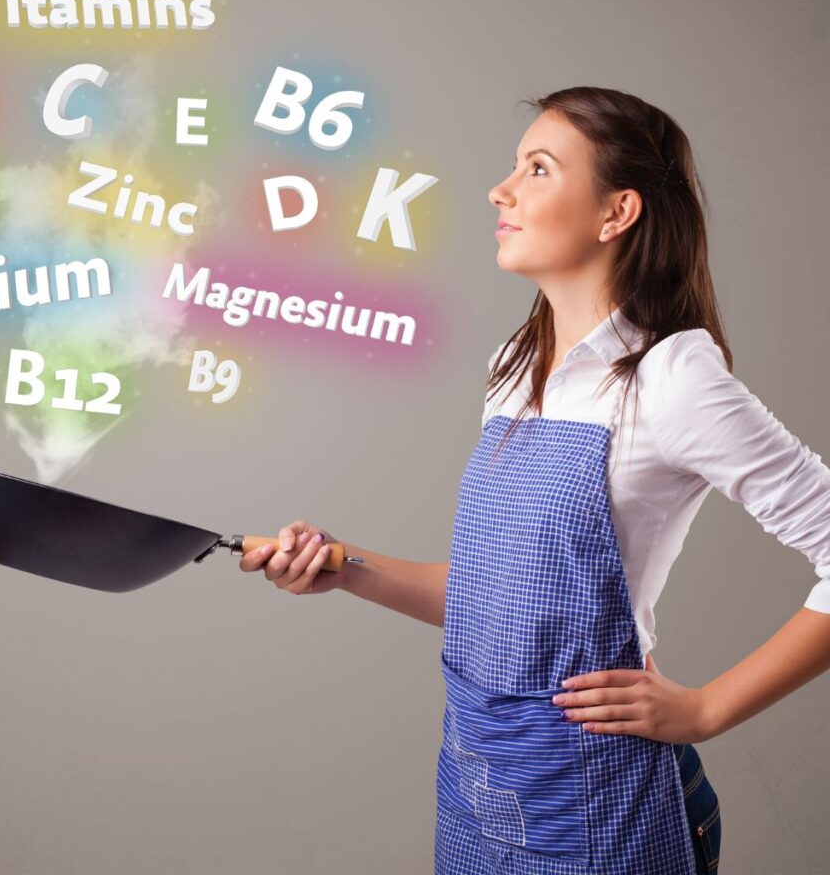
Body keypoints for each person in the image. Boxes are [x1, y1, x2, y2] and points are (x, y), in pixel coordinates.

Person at [238, 86, 830, 874]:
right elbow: (504, 599)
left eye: (539, 169)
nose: (501, 189)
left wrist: (706, 709)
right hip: (483, 783)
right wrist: (346, 570)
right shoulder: (515, 366)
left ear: (615, 214)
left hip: (603, 799)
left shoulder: (671, 376)